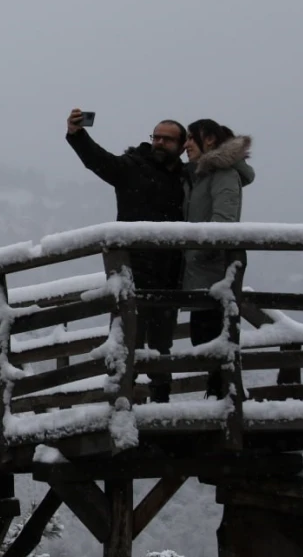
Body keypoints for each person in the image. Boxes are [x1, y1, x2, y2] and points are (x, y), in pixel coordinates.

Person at [64, 109, 187, 403]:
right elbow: (99, 161)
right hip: (132, 268)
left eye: (167, 139)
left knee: (161, 343)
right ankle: (121, 404)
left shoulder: (186, 177)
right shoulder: (133, 167)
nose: (159, 142)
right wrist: (77, 135)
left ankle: (161, 403)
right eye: (156, 136)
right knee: (127, 339)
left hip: (170, 271)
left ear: (182, 146)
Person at [181, 119, 254, 398]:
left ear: (208, 140)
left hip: (214, 275)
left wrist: (194, 254)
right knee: (205, 343)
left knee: (213, 343)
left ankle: (223, 405)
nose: (186, 145)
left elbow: (223, 222)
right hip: (202, 275)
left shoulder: (222, 174)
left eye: (191, 138)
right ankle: (219, 400)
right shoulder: (203, 176)